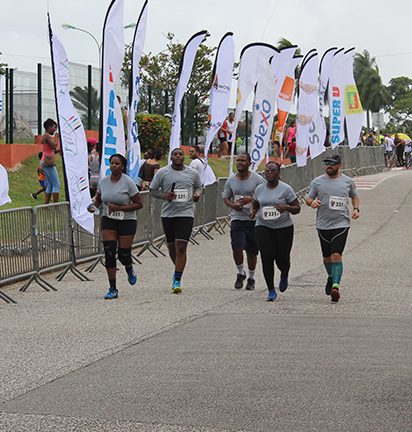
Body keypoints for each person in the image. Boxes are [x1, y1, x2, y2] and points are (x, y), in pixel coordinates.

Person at [305, 154, 360, 303]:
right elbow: (307, 197)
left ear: (339, 165)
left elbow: (354, 196)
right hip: (323, 224)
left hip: (341, 224)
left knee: (336, 255)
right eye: (327, 163)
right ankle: (330, 277)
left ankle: (336, 286)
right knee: (326, 258)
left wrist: (356, 208)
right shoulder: (317, 182)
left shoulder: (347, 181)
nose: (329, 166)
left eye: (332, 164)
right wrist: (311, 203)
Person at [89, 153, 143, 300]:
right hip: (109, 220)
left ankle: (129, 268)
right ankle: (112, 288)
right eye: (112, 163)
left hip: (127, 220)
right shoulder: (104, 182)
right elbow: (99, 199)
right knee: (109, 252)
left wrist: (120, 208)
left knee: (124, 254)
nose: (114, 166)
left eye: (117, 164)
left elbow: (139, 204)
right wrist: (93, 206)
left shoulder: (128, 182)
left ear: (123, 166)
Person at [150, 147, 202, 293]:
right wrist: (165, 196)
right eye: (175, 154)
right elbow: (153, 190)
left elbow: (199, 187)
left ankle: (177, 278)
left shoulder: (192, 173)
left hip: (186, 213)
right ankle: (178, 267)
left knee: (181, 246)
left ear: (184, 157)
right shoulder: (162, 173)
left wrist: (197, 194)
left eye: (180, 154)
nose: (178, 156)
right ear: (171, 157)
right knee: (172, 247)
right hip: (168, 214)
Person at [251, 162, 301, 301]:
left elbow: (297, 208)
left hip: (284, 228)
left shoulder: (286, 189)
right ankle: (271, 290)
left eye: (273, 170)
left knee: (282, 259)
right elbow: (256, 203)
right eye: (267, 170)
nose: (270, 172)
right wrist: (253, 210)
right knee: (266, 257)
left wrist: (285, 207)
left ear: (279, 173)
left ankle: (284, 273)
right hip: (263, 226)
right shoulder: (259, 189)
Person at [222, 153, 266, 290]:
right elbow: (226, 197)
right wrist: (232, 205)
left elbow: (265, 198)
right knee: (237, 246)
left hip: (254, 219)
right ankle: (240, 273)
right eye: (238, 160)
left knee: (252, 251)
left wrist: (251, 200)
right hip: (238, 218)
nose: (240, 162)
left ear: (249, 163)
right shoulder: (231, 180)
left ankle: (251, 278)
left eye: (243, 160)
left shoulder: (258, 180)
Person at [40, 118, 60, 204]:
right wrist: (56, 137)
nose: (55, 129)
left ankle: (46, 205)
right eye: (54, 127)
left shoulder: (45, 136)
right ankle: (56, 206)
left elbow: (50, 149)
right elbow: (54, 145)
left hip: (44, 161)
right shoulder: (47, 135)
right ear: (49, 127)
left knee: (50, 185)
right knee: (57, 185)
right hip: (48, 163)